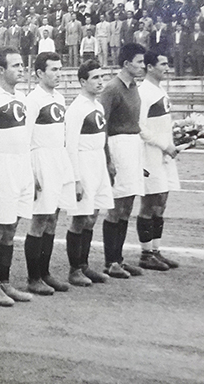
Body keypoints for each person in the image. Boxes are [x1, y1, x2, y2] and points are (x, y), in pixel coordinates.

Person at [0, 47, 34, 307]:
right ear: (1, 70)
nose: (21, 69)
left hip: (21, 166)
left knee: (11, 229)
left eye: (22, 65)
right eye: (15, 65)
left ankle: (5, 283)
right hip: (1, 167)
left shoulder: (22, 98)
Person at [23, 52, 76, 295]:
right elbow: (25, 138)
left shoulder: (60, 98)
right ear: (39, 73)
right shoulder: (33, 100)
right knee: (39, 220)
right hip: (40, 159)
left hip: (58, 159)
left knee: (53, 218)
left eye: (60, 69)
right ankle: (33, 278)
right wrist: (31, 172)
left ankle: (45, 273)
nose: (58, 74)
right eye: (53, 69)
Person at [99, 42, 147, 279]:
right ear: (127, 64)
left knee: (128, 206)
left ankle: (119, 259)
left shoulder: (134, 86)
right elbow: (102, 126)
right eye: (139, 62)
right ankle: (110, 262)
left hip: (132, 147)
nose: (142, 66)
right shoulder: (112, 89)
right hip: (117, 146)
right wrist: (107, 159)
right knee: (117, 207)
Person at [64, 59, 114, 286]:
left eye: (102, 77)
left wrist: (107, 163)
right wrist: (75, 179)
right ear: (83, 81)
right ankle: (74, 269)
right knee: (80, 218)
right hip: (83, 162)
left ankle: (84, 265)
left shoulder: (98, 106)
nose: (100, 81)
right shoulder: (77, 109)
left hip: (97, 162)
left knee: (92, 216)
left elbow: (102, 139)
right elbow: (71, 145)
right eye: (95, 78)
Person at [136, 51, 181, 271]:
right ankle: (145, 254)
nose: (167, 67)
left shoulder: (160, 90)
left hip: (164, 154)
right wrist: (164, 145)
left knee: (161, 202)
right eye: (162, 64)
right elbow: (140, 127)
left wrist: (175, 142)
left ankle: (155, 250)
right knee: (150, 203)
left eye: (167, 63)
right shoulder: (143, 92)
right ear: (150, 67)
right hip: (150, 154)